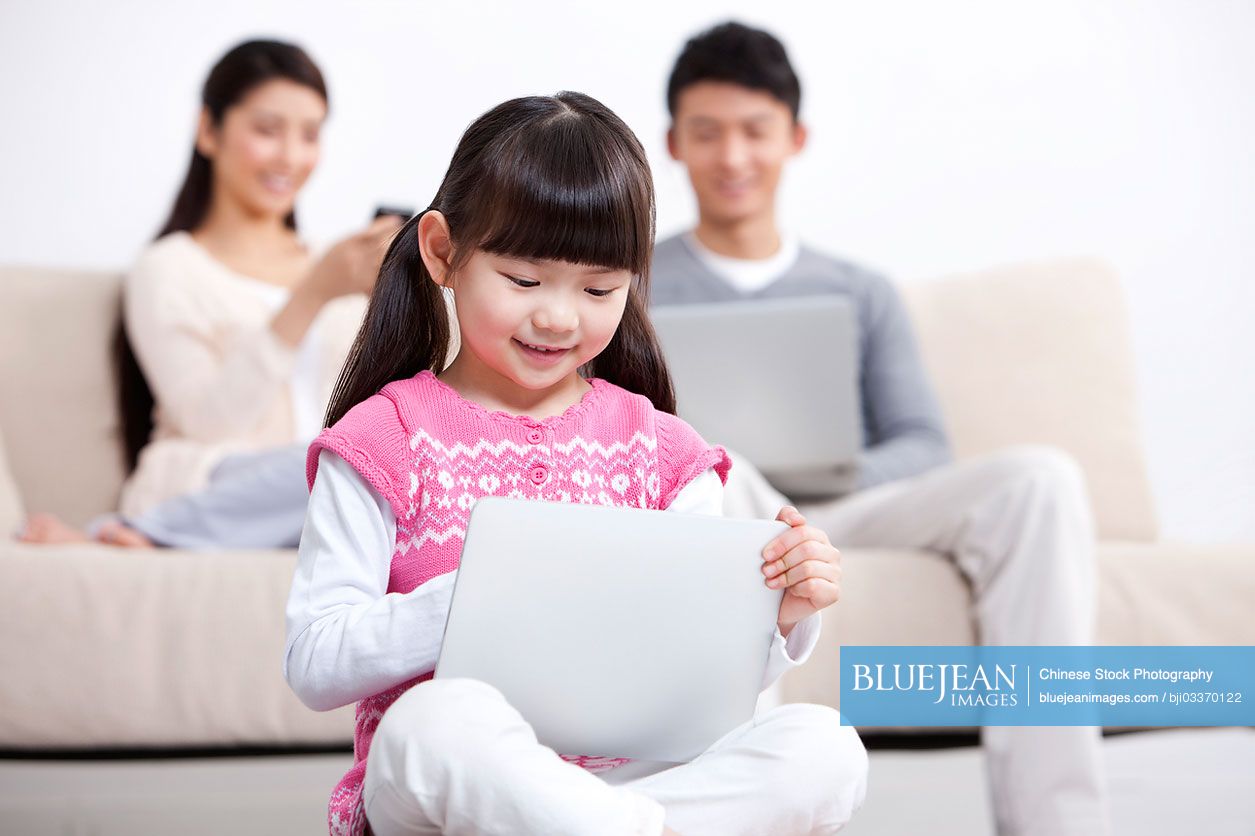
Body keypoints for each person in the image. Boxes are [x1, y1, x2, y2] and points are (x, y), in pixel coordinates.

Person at [284, 92, 868, 836]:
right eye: (524, 281)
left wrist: (775, 616)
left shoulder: (662, 452)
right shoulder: (383, 437)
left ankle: (602, 824)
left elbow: (704, 690)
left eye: (598, 289)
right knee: (433, 720)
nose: (559, 316)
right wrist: (474, 598)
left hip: (636, 773)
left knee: (823, 747)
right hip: (456, 778)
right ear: (441, 251)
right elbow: (314, 662)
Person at [651, 22, 1110, 836]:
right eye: (707, 133)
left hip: (848, 508)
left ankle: (1058, 823)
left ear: (793, 139)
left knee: (1040, 478)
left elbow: (922, 446)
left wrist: (829, 469)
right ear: (673, 145)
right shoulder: (632, 285)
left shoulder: (859, 290)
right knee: (724, 477)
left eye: (754, 131)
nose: (732, 158)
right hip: (722, 506)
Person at [18, 39, 401, 549]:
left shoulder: (344, 268)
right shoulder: (169, 268)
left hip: (316, 502)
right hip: (214, 484)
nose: (291, 155)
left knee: (383, 458)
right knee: (336, 462)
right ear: (208, 130)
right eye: (267, 130)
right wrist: (311, 296)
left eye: (310, 135)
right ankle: (142, 534)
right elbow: (209, 421)